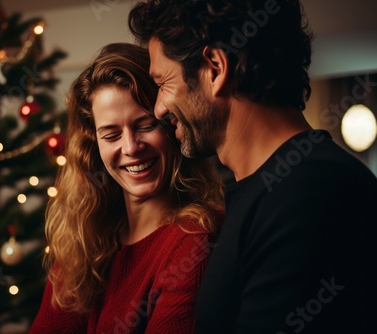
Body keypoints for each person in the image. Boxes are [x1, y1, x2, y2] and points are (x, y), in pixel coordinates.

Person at [128, 1, 377, 333]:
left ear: (214, 68)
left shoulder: (311, 191)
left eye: (162, 82)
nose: (159, 108)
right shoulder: (266, 190)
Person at [28, 42, 224, 333]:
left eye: (145, 125)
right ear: (93, 145)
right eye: (111, 134)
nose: (131, 147)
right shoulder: (83, 237)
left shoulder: (192, 240)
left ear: (172, 125)